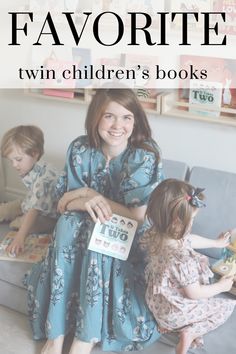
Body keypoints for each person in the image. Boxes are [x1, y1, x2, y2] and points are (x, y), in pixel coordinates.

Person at [24, 88, 164, 354]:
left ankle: (84, 338)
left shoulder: (144, 154)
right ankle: (56, 335)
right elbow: (63, 204)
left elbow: (137, 215)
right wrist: (82, 198)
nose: (117, 126)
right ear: (95, 117)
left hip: (129, 237)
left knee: (97, 231)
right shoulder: (79, 148)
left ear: (136, 121)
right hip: (82, 228)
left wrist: (89, 194)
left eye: (126, 118)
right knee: (69, 223)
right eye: (109, 116)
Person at [144, 178, 236, 354]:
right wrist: (221, 286)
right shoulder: (181, 259)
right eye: (191, 220)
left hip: (159, 306)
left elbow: (189, 240)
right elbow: (194, 294)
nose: (192, 224)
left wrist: (216, 243)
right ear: (178, 222)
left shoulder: (157, 235)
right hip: (176, 311)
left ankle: (169, 325)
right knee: (226, 307)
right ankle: (190, 331)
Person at [0, 125, 61, 256]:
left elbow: (35, 210)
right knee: (6, 209)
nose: (14, 165)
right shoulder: (34, 166)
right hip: (30, 203)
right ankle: (13, 214)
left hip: (49, 215)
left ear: (34, 154)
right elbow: (32, 199)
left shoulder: (45, 179)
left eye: (18, 160)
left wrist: (20, 237)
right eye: (11, 161)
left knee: (24, 224)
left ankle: (20, 221)